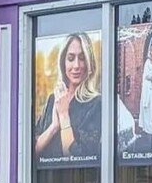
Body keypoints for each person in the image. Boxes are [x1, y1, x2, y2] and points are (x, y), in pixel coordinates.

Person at [34, 32, 102, 161]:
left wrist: (64, 116)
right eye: (71, 58)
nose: (76, 65)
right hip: (46, 179)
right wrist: (53, 127)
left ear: (89, 63)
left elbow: (77, 158)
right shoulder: (53, 99)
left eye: (82, 58)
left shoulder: (96, 103)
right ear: (63, 63)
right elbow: (31, 153)